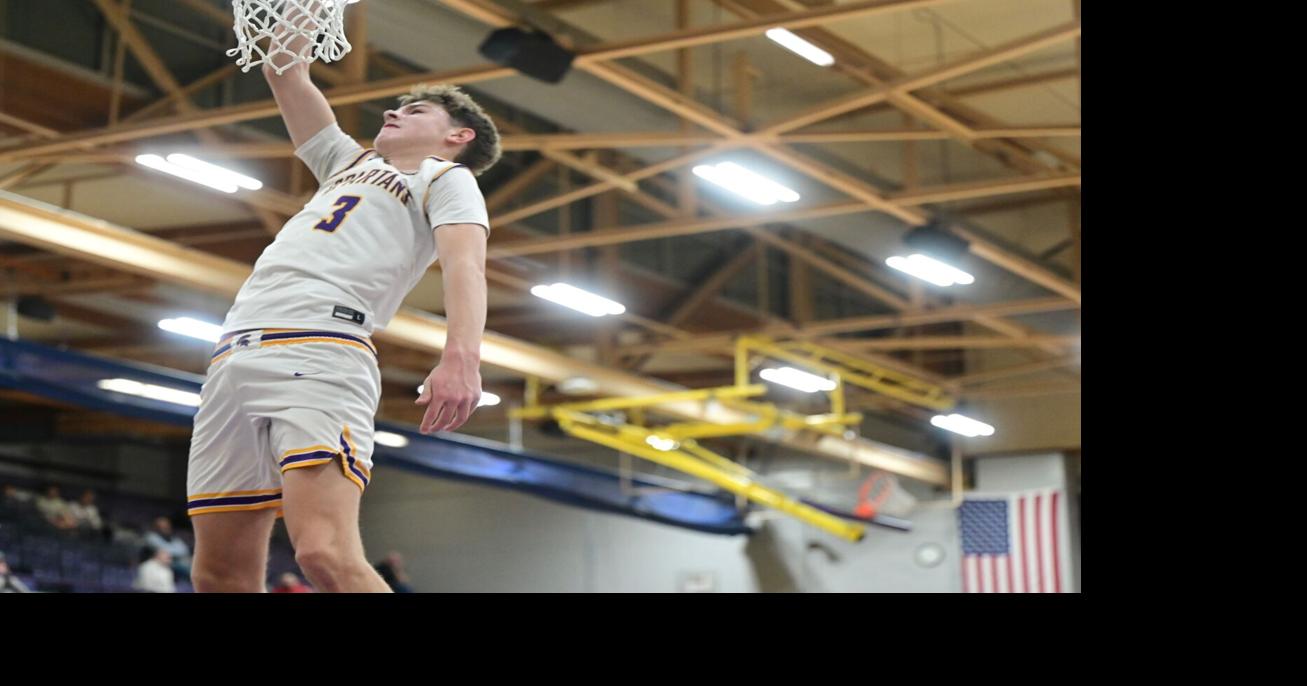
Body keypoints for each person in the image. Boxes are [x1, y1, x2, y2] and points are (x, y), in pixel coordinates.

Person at [187, 3, 498, 593]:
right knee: (218, 573)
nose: (393, 111)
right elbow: (285, 71)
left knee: (325, 555)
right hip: (232, 356)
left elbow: (466, 265)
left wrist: (462, 357)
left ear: (459, 136)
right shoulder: (346, 161)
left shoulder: (446, 179)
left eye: (416, 110)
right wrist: (308, 8)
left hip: (322, 346)